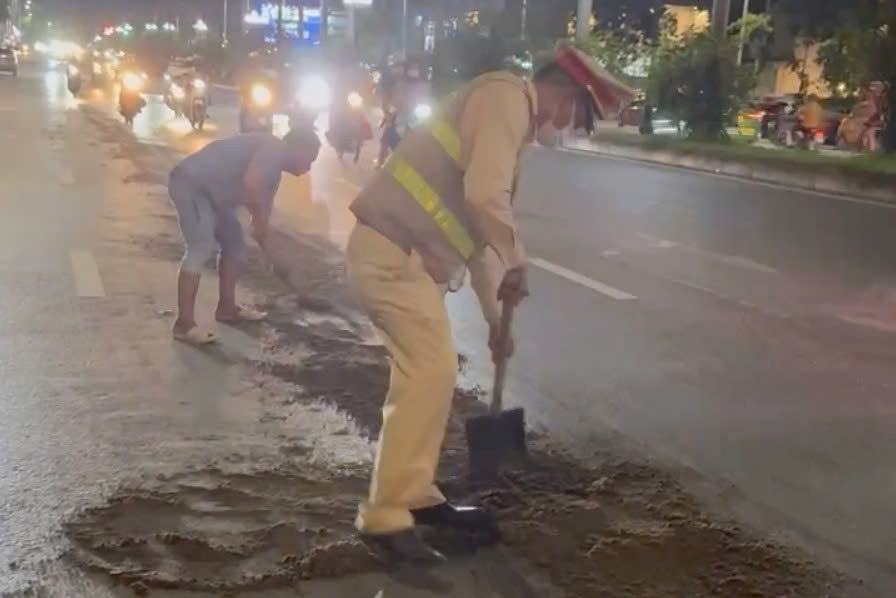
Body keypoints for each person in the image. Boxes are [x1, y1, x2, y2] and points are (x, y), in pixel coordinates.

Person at [345, 42, 632, 562]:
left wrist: (498, 323)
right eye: (574, 117)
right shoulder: (505, 98)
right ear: (565, 95)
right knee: (429, 373)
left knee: (427, 375)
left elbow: (477, 243)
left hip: (405, 261)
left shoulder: (507, 123)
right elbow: (484, 199)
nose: (565, 129)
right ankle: (385, 517)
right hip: (391, 252)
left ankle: (413, 495)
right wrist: (518, 256)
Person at [168, 128, 321, 345]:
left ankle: (226, 309)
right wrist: (259, 221)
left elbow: (261, 229)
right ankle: (184, 325)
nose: (309, 168)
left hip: (215, 198)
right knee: (201, 246)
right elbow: (251, 186)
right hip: (191, 184)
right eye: (310, 159)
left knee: (235, 245)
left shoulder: (272, 178)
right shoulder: (274, 148)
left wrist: (277, 262)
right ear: (298, 147)